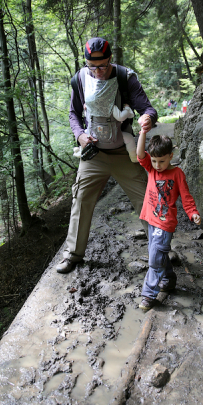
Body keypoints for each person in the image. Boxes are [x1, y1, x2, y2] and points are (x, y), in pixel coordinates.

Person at [56, 37, 157, 274]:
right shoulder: (80, 79)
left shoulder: (125, 78)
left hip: (124, 153)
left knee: (146, 199)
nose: (98, 72)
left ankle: (161, 250)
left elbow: (148, 109)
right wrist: (80, 135)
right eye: (92, 66)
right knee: (81, 200)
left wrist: (147, 119)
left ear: (110, 59)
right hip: (93, 155)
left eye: (102, 66)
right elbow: (73, 113)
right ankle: (73, 254)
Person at [136, 129, 201, 311]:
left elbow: (186, 197)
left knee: (155, 259)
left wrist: (192, 212)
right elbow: (140, 154)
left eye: (162, 161)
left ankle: (149, 295)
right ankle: (169, 279)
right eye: (154, 161)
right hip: (151, 219)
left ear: (171, 156)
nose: (157, 165)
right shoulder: (151, 168)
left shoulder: (177, 174)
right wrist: (142, 131)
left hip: (165, 223)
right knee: (157, 253)